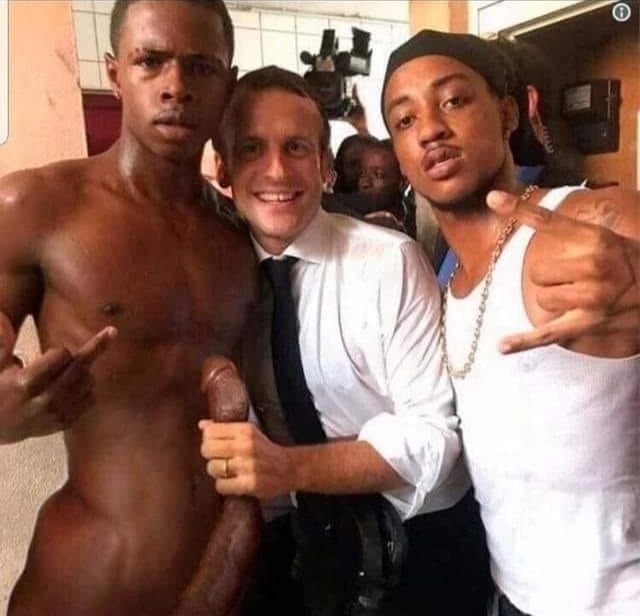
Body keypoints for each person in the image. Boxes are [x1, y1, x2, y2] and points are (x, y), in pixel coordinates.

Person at [0, 1, 261, 614]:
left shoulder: (241, 234)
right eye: (151, 61)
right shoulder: (36, 205)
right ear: (115, 72)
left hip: (221, 582)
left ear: (227, 83)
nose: (176, 86)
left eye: (200, 67)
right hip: (88, 583)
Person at [200, 66, 490, 615]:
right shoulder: (214, 275)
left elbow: (432, 438)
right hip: (301, 547)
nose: (276, 170)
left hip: (416, 545)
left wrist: (286, 468)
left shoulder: (387, 262)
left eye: (296, 147)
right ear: (224, 166)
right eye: (253, 148)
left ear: (325, 165)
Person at [381, 29, 640, 615]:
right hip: (510, 596)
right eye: (405, 119)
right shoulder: (443, 278)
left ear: (507, 113)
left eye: (453, 100)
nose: (430, 128)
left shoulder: (585, 220)